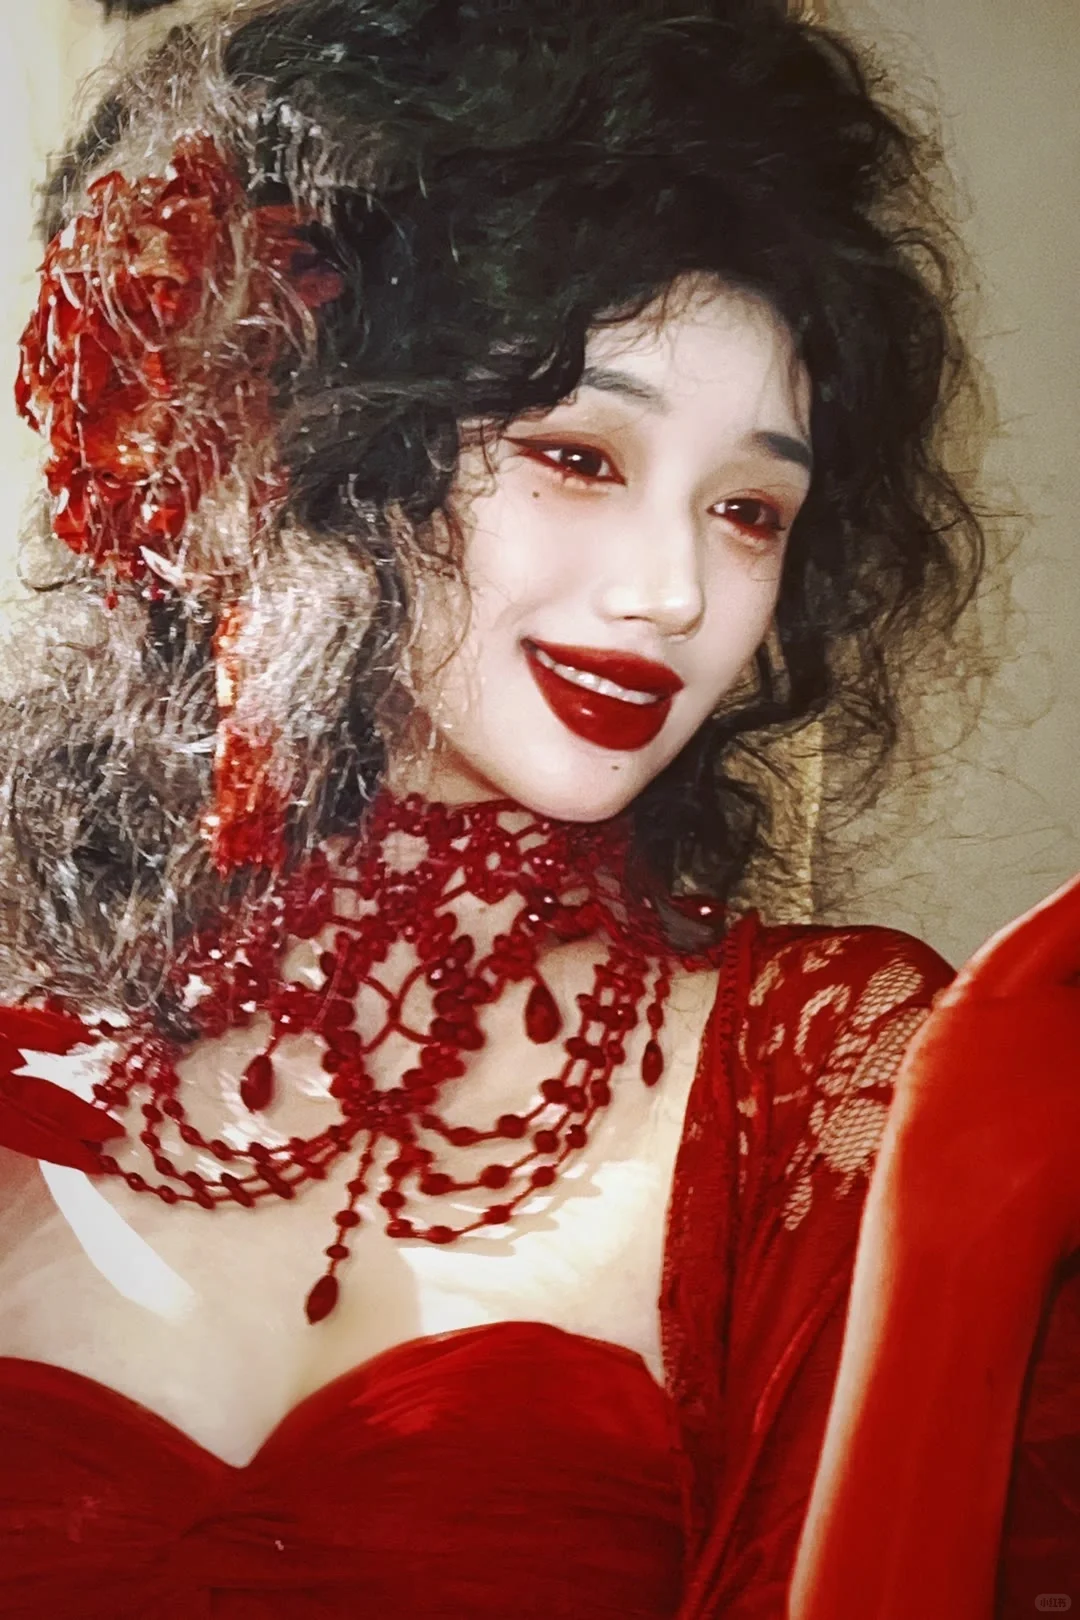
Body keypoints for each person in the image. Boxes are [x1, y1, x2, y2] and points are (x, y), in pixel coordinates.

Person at [0, 1, 1076, 1615]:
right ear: (313, 442)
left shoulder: (840, 1083)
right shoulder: (29, 1047)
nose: (675, 592)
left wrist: (972, 1216)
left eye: (750, 508)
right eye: (579, 455)